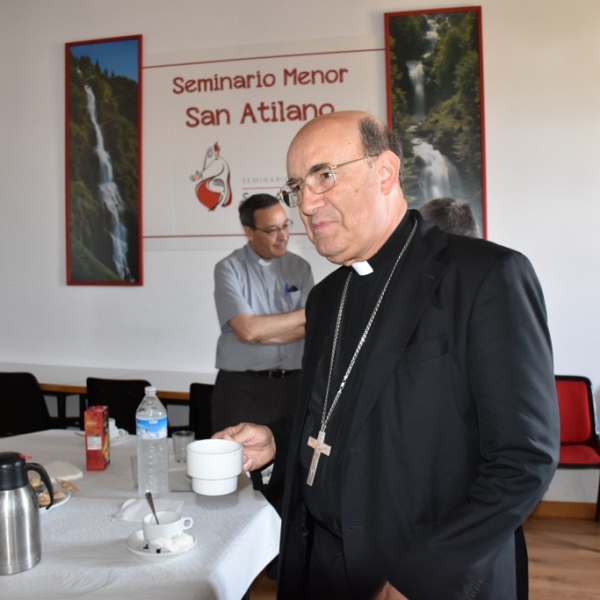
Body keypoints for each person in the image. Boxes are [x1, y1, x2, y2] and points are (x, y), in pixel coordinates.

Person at [215, 112, 559, 599]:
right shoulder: (326, 296)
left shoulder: (485, 277)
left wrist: (424, 577)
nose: (307, 204)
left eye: (325, 175)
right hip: (323, 567)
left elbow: (524, 459)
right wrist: (277, 440)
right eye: (298, 186)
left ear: (386, 172)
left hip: (424, 574)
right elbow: (338, 419)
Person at [211, 193, 313, 433]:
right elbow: (247, 330)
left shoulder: (299, 267)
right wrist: (304, 313)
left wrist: (259, 332)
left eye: (285, 226)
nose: (283, 236)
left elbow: (312, 325)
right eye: (272, 230)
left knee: (292, 464)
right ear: (249, 231)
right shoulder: (229, 269)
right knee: (235, 464)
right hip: (242, 389)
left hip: (294, 387)